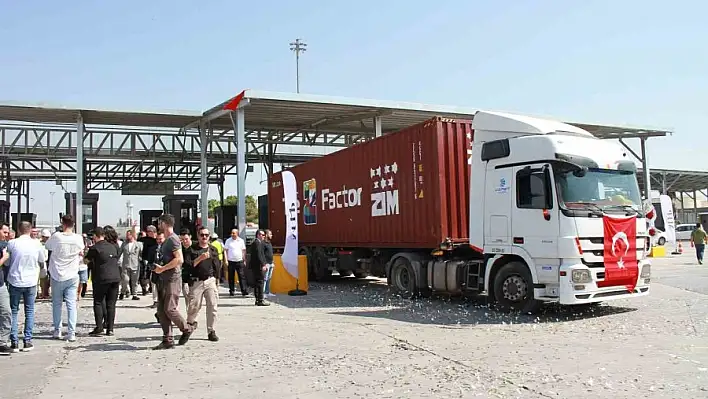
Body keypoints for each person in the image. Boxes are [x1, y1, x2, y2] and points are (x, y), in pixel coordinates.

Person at [152, 214, 193, 349]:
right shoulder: (167, 240)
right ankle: (167, 339)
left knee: (170, 308)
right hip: (164, 278)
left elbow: (179, 259)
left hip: (172, 279)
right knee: (162, 311)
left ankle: (186, 328)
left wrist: (163, 268)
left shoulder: (173, 239)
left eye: (159, 223)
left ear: (164, 223)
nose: (158, 226)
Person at [5, 221, 46, 352]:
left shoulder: (12, 243)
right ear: (29, 230)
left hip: (15, 279)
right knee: (29, 311)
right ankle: (27, 341)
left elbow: (6, 262)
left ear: (18, 230)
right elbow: (41, 260)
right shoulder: (37, 244)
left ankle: (14, 342)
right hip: (31, 281)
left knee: (14, 311)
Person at [45, 214, 85, 342]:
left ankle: (57, 330)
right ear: (73, 224)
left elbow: (47, 246)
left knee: (56, 304)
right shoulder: (78, 238)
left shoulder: (57, 236)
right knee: (71, 304)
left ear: (63, 223)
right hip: (72, 274)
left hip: (57, 274)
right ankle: (71, 332)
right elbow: (81, 251)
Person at [85, 226, 121, 337]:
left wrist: (87, 252)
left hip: (101, 278)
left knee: (98, 302)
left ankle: (99, 327)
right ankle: (110, 329)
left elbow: (86, 260)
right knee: (111, 304)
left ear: (95, 236)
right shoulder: (113, 246)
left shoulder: (95, 248)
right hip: (115, 277)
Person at [187, 226, 221, 342]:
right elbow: (188, 266)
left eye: (206, 235)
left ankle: (211, 331)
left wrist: (217, 280)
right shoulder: (192, 250)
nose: (204, 237)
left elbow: (217, 265)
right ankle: (190, 324)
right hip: (196, 281)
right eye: (202, 235)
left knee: (212, 305)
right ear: (198, 235)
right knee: (194, 307)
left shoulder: (213, 250)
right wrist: (200, 258)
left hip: (210, 280)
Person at [0, 223, 13, 355]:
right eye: (4, 232)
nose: (7, 235)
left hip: (1, 284)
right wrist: (4, 258)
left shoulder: (4, 245)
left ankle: (2, 342)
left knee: (6, 312)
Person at [119, 231, 143, 301]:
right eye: (126, 235)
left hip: (135, 265)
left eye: (128, 235)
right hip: (126, 265)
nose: (127, 236)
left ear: (132, 235)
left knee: (135, 281)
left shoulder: (138, 244)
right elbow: (119, 253)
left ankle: (134, 294)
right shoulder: (124, 244)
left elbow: (141, 254)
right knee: (125, 280)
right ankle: (123, 292)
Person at [248, 230, 269, 306]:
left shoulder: (259, 243)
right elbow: (259, 255)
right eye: (261, 235)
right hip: (258, 266)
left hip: (256, 266)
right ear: (257, 235)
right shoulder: (257, 243)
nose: (263, 236)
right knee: (260, 282)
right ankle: (260, 299)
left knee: (257, 283)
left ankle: (258, 299)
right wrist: (263, 264)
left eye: (264, 235)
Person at [224, 228, 247, 297]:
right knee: (231, 277)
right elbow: (225, 250)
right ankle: (231, 291)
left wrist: (244, 259)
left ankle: (244, 291)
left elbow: (243, 251)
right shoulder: (228, 241)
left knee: (241, 276)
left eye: (234, 233)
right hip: (231, 261)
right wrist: (226, 260)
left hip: (239, 261)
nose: (232, 234)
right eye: (232, 233)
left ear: (237, 234)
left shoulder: (241, 241)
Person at [138, 226, 158, 296]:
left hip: (154, 260)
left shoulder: (158, 239)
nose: (148, 233)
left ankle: (151, 288)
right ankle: (145, 289)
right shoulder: (145, 239)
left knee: (152, 275)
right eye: (147, 231)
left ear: (154, 232)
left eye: (149, 231)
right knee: (144, 274)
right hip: (145, 258)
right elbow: (135, 239)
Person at [179, 228, 195, 311]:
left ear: (190, 237)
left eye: (186, 239)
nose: (184, 241)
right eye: (182, 240)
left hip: (196, 277)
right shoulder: (179, 249)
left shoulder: (196, 247)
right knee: (187, 296)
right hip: (184, 278)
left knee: (195, 299)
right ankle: (190, 317)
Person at [38, 229, 51, 299]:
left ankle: (46, 292)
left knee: (47, 279)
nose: (47, 239)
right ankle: (43, 293)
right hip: (42, 263)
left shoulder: (51, 244)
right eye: (46, 237)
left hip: (50, 263)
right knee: (43, 279)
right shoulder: (38, 244)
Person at [262, 230, 275, 297]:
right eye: (270, 234)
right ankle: (263, 293)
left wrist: (272, 262)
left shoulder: (269, 243)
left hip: (271, 263)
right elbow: (262, 254)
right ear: (266, 235)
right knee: (265, 278)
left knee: (269, 278)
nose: (271, 235)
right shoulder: (263, 243)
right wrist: (264, 264)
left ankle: (267, 292)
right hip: (266, 263)